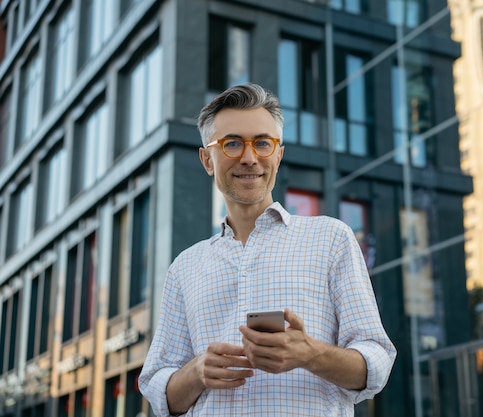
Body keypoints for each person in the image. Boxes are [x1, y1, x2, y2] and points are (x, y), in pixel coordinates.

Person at [138, 83, 396, 416]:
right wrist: (197, 371)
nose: (249, 157)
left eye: (262, 143)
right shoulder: (184, 267)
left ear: (278, 153)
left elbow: (377, 361)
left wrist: (310, 353)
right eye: (232, 143)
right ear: (207, 160)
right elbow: (160, 391)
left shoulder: (331, 240)